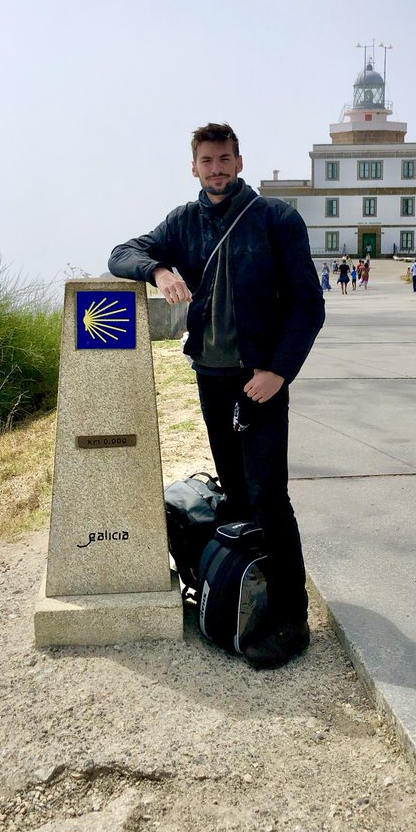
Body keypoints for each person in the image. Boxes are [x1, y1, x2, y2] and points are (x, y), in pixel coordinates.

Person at [108, 122, 325, 669]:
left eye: (225, 158)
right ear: (194, 166)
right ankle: (256, 593)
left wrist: (278, 371)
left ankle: (292, 619)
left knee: (269, 494)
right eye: (207, 160)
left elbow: (307, 305)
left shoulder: (276, 219)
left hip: (261, 380)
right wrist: (157, 269)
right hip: (212, 377)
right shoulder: (184, 222)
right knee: (236, 492)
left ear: (240, 160)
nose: (217, 168)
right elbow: (122, 252)